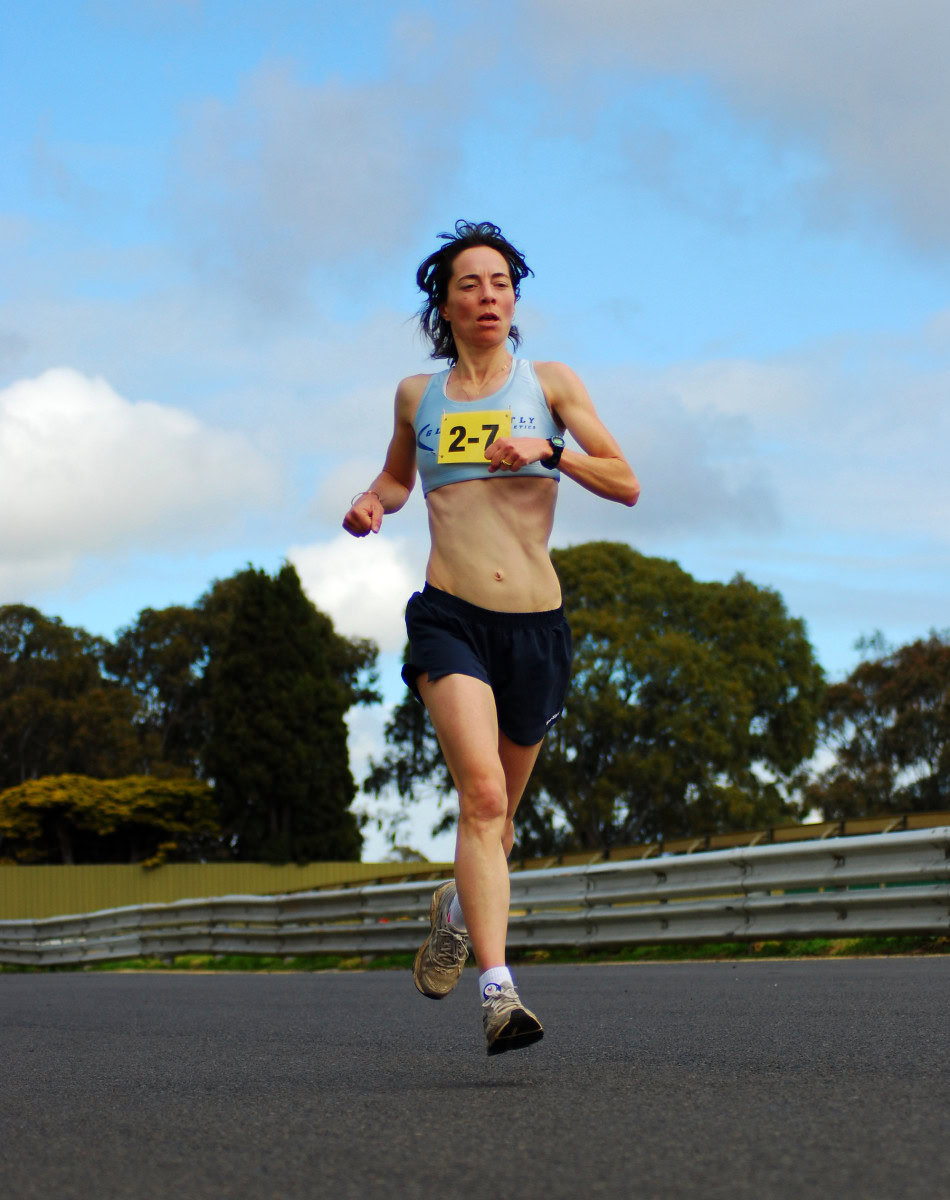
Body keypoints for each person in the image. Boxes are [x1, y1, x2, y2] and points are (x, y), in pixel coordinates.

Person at [343, 220, 639, 1055]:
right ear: (445, 300)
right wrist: (373, 502)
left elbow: (626, 481)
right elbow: (401, 477)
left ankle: (452, 908)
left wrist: (553, 451)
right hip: (450, 619)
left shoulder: (550, 384)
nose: (489, 296)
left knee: (499, 824)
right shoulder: (417, 396)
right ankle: (500, 996)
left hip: (536, 631)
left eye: (503, 283)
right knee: (480, 797)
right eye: (471, 283)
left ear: (516, 299)